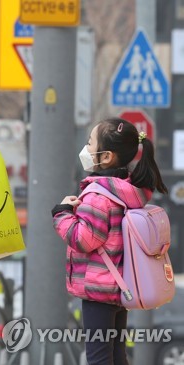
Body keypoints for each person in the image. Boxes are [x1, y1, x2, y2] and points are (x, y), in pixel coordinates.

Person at [51, 118, 167, 365]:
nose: (86, 147)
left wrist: (61, 213)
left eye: (90, 142)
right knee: (115, 355)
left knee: (99, 358)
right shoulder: (126, 190)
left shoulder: (98, 196)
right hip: (116, 286)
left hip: (98, 289)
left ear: (106, 157)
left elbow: (83, 239)